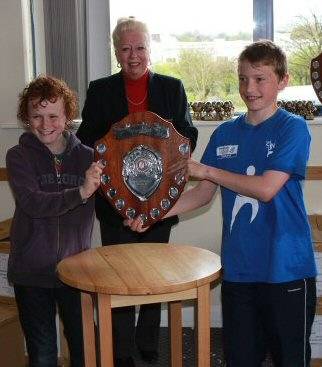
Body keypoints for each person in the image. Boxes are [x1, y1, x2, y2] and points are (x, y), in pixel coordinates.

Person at [127, 40, 317, 367]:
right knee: (240, 359)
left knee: (290, 360)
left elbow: (267, 188)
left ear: (283, 81)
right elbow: (202, 193)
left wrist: (209, 170)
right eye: (243, 78)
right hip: (239, 270)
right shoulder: (225, 133)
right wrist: (153, 214)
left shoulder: (293, 128)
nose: (249, 88)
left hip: (286, 268)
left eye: (260, 79)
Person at [76, 16, 198, 367]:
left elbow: (188, 132)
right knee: (119, 278)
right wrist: (116, 144)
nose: (133, 55)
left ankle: (148, 341)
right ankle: (122, 349)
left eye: (140, 47)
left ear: (149, 48)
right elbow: (87, 138)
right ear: (116, 51)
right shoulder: (100, 90)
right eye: (126, 48)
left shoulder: (172, 88)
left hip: (160, 200)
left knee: (153, 276)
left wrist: (175, 151)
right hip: (115, 201)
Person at [6, 75, 103, 367]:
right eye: (36, 116)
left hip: (77, 273)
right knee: (43, 354)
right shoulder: (18, 156)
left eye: (52, 116)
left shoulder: (89, 157)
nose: (45, 124)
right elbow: (33, 204)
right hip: (31, 273)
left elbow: (115, 200)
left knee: (86, 351)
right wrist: (82, 192)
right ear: (26, 118)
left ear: (68, 117)